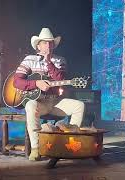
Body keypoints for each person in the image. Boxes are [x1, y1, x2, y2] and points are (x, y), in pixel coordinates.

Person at [13, 27, 85, 161]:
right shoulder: (30, 59)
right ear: (38, 45)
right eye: (45, 42)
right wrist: (36, 84)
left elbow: (60, 80)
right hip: (40, 103)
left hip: (56, 101)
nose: (48, 45)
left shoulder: (60, 60)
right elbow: (16, 82)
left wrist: (49, 62)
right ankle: (36, 148)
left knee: (79, 106)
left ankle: (70, 143)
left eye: (51, 42)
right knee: (30, 105)